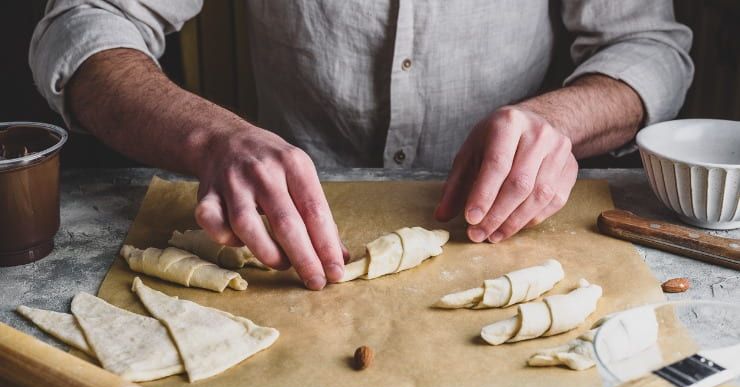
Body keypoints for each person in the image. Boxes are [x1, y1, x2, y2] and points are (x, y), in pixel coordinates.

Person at [29, 1, 693, 290]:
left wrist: (563, 118)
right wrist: (209, 137)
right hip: (268, 240)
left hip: (511, 236)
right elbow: (85, 22)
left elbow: (650, 46)